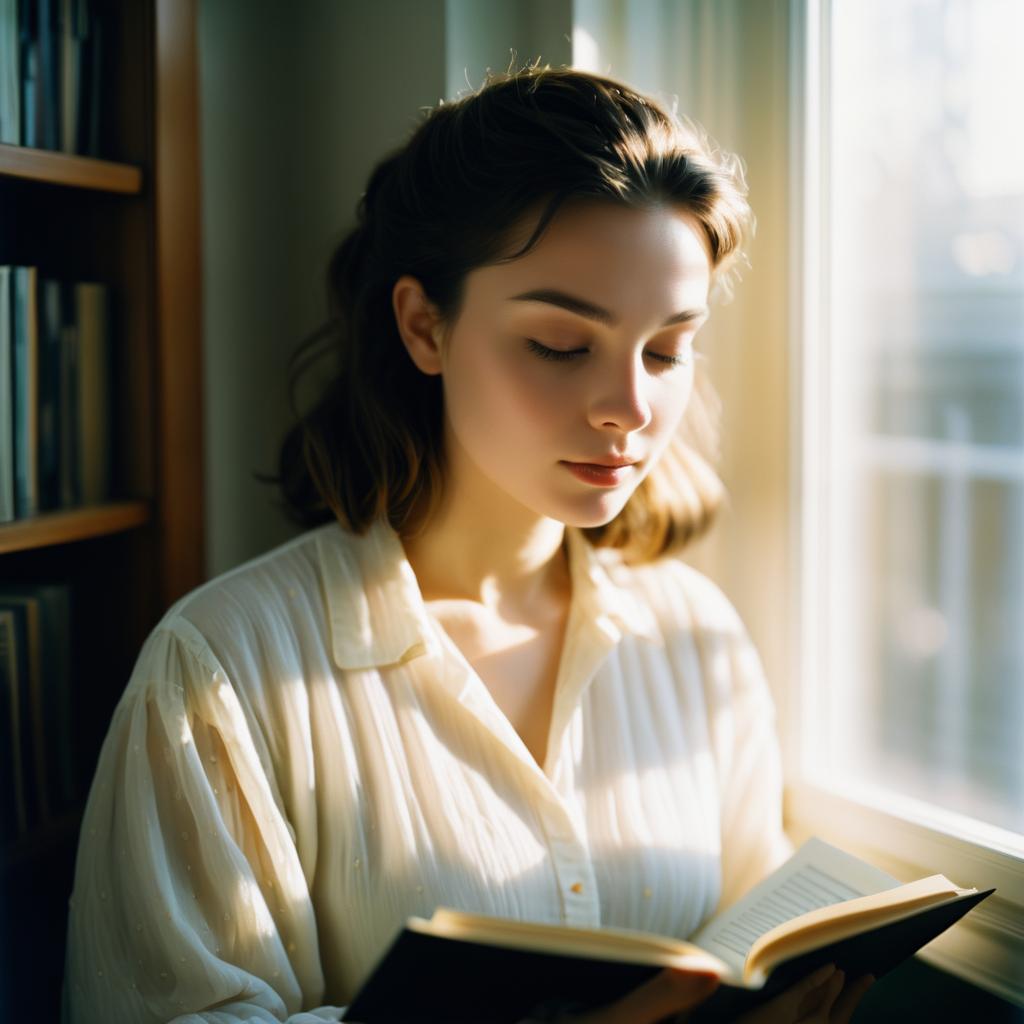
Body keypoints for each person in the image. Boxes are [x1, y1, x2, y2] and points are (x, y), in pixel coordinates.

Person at [61, 63, 875, 1023]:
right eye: (562, 346)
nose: (630, 408)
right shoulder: (222, 672)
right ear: (424, 325)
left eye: (665, 350)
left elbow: (750, 920)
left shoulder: (698, 637)